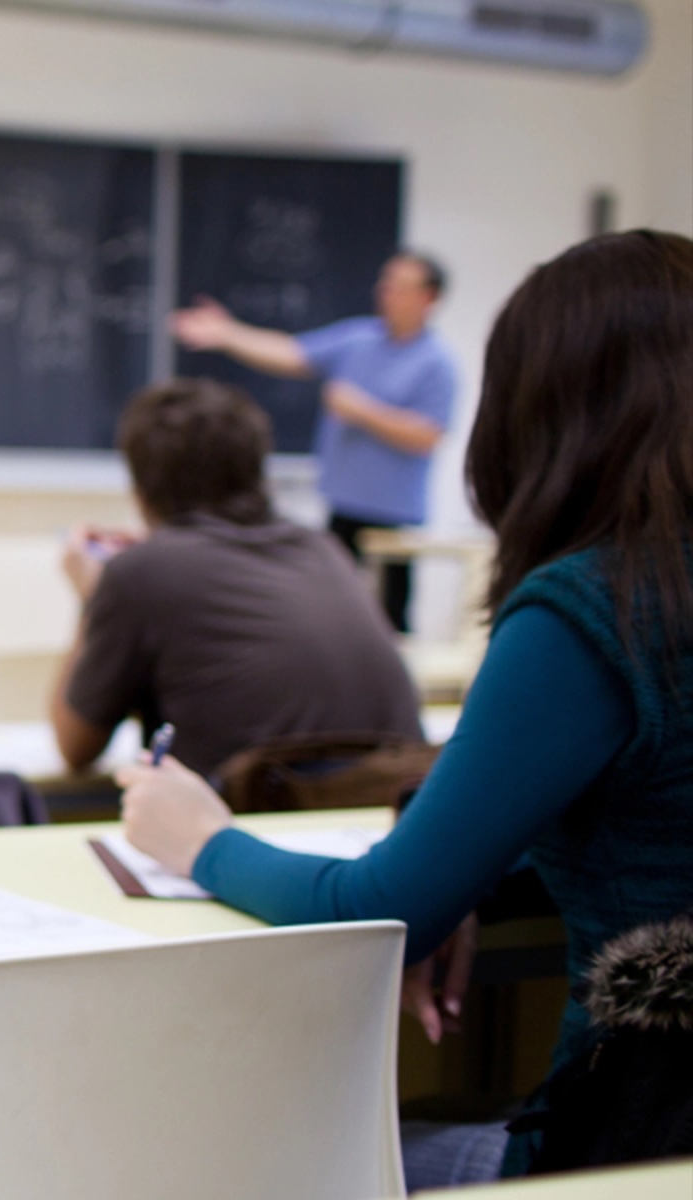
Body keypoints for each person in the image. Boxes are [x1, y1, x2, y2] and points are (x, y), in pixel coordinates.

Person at [121, 229, 693, 1178]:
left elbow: (380, 911)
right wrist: (470, 870)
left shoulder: (592, 611)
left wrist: (199, 838)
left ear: (544, 409)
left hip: (630, 1141)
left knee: (282, 1160)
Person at [52, 378, 422, 779]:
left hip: (255, 824)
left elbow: (75, 747)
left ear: (140, 489)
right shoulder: (323, 549)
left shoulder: (140, 573)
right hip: (385, 817)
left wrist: (93, 600)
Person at [171, 252, 459, 631]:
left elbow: (428, 435)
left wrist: (363, 411)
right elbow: (291, 352)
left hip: (394, 519)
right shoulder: (359, 338)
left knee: (389, 622)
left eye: (400, 287)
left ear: (429, 298)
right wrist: (229, 334)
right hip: (343, 506)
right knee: (333, 613)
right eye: (385, 283)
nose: (386, 293)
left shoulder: (436, 363)